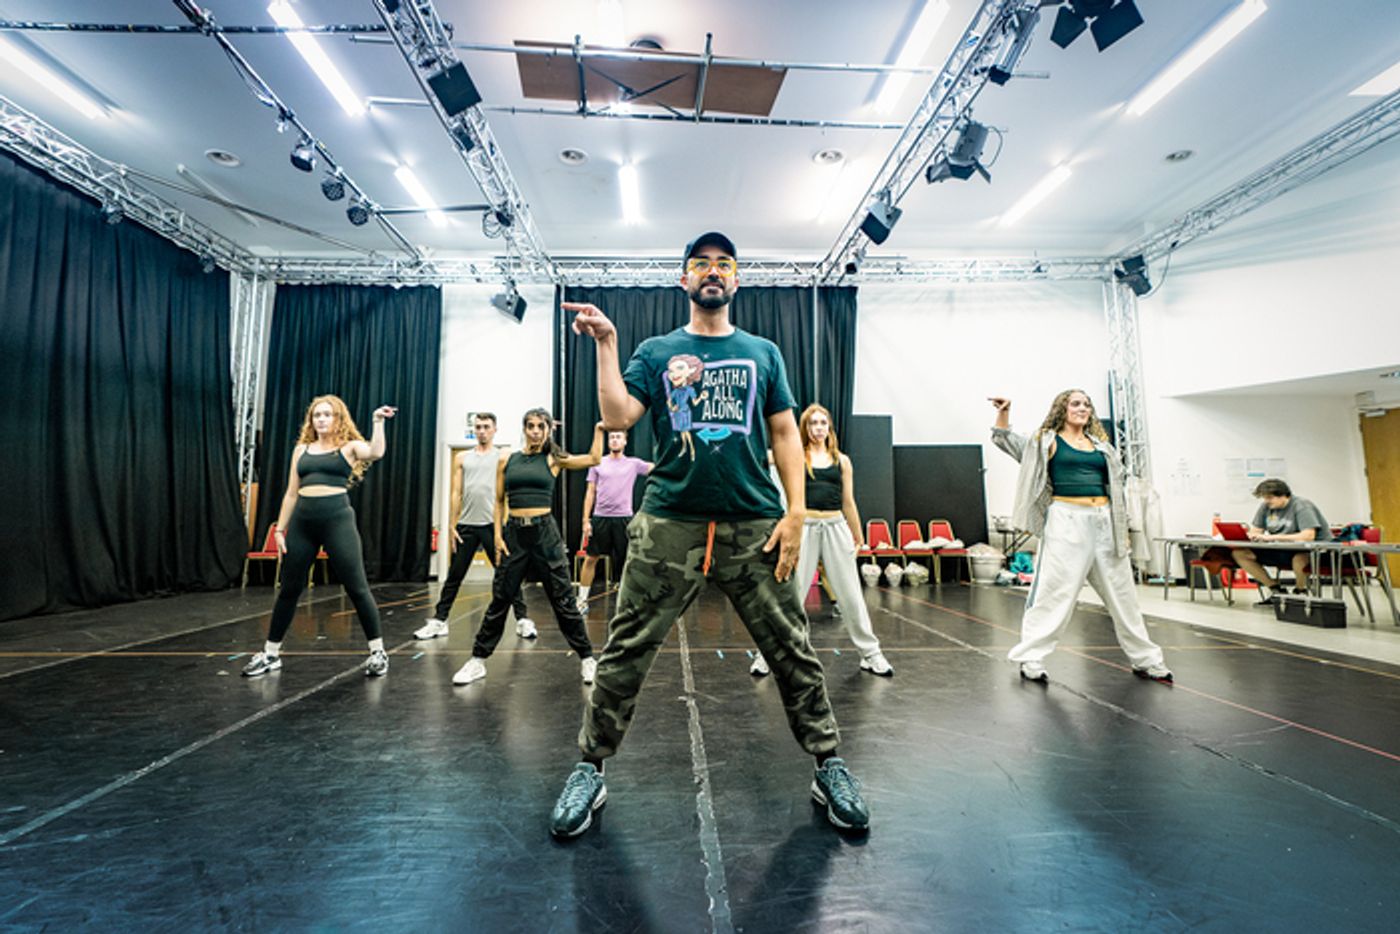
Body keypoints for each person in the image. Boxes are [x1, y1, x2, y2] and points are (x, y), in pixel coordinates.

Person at [553, 231, 870, 838]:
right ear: (685, 280)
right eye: (701, 264)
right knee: (625, 650)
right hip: (669, 522)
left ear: (737, 280)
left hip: (754, 525)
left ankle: (828, 763)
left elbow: (783, 434)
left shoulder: (763, 352)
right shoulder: (655, 349)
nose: (713, 271)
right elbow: (619, 417)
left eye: (724, 264)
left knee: (791, 648)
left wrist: (796, 511)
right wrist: (608, 344)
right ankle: (589, 768)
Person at [989, 393, 1172, 685]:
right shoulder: (1045, 441)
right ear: (1062, 409)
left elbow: (1117, 481)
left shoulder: (1102, 446)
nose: (1082, 408)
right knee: (1054, 591)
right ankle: (1031, 657)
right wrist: (1005, 413)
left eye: (1086, 405)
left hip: (1105, 521)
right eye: (1076, 403)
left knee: (1123, 595)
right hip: (1066, 520)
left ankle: (1146, 659)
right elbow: (1004, 439)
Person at [242, 396, 396, 677]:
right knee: (289, 589)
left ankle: (378, 652)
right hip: (303, 523)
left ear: (338, 419)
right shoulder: (301, 451)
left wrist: (377, 422)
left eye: (327, 414)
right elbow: (291, 492)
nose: (321, 419)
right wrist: (279, 530)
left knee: (357, 587)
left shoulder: (349, 448)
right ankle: (271, 654)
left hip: (337, 520)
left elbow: (376, 452)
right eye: (316, 415)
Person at [451, 409, 603, 686]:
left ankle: (587, 658)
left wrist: (599, 429)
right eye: (530, 426)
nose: (535, 430)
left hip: (545, 534)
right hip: (515, 535)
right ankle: (477, 661)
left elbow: (593, 459)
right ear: (524, 428)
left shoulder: (554, 459)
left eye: (540, 426)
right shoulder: (508, 459)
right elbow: (499, 501)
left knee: (564, 600)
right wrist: (497, 535)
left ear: (548, 429)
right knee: (501, 598)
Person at [757, 403, 892, 678]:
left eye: (823, 423)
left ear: (829, 427)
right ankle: (768, 655)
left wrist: (859, 535)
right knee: (791, 594)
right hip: (804, 528)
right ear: (805, 428)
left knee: (851, 595)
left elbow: (849, 502)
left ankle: (871, 654)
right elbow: (768, 456)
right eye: (813, 423)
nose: (819, 428)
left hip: (836, 527)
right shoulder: (797, 456)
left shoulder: (842, 461)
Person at [414, 412, 534, 640]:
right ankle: (440, 621)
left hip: (493, 525)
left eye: (486, 427)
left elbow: (526, 459)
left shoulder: (504, 456)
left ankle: (523, 620)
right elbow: (456, 492)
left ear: (494, 429)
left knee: (508, 573)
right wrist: (452, 524)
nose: (482, 431)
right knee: (454, 576)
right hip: (467, 526)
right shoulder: (462, 458)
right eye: (478, 427)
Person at [576, 430, 651, 613]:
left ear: (625, 441)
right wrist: (586, 521)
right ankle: (582, 600)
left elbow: (657, 468)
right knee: (591, 559)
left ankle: (631, 602)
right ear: (608, 441)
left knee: (629, 561)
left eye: (619, 437)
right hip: (600, 518)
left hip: (624, 519)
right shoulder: (597, 463)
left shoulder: (633, 464)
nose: (615, 440)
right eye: (612, 437)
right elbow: (590, 492)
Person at [1231, 478, 1331, 603]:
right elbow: (1257, 530)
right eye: (1264, 498)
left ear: (1283, 495)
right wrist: (1249, 535)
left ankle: (1300, 592)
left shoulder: (1302, 506)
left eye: (1270, 498)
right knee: (1240, 553)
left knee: (1300, 558)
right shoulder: (1266, 507)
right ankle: (1276, 589)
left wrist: (1271, 537)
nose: (1266, 501)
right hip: (1282, 548)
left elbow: (1308, 535)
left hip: (1312, 551)